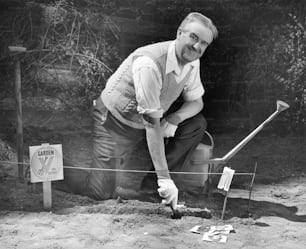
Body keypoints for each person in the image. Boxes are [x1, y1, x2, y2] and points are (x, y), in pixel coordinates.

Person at [86, 12, 218, 210]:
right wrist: (164, 178)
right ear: (180, 33)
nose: (197, 47)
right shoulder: (149, 62)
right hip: (115, 121)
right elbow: (151, 123)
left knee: (196, 124)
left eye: (204, 43)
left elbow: (196, 103)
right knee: (101, 193)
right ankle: (56, 174)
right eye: (193, 37)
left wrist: (174, 118)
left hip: (146, 120)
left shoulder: (192, 62)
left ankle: (151, 190)